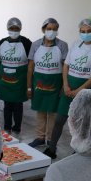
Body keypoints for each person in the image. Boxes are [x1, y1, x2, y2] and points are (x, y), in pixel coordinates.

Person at [46, 19, 91, 159]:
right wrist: (66, 85)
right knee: (59, 120)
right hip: (68, 89)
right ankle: (51, 148)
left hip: (86, 92)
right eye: (83, 31)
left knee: (82, 124)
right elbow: (66, 66)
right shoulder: (75, 45)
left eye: (89, 31)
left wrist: (80, 90)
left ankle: (78, 153)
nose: (85, 34)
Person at [27, 18, 69, 149]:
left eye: (54, 29)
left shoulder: (62, 45)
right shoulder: (35, 45)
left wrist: (64, 85)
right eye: (49, 29)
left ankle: (51, 139)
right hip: (39, 81)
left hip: (55, 82)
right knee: (40, 110)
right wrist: (29, 87)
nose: (51, 31)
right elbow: (30, 67)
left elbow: (65, 66)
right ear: (43, 29)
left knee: (53, 112)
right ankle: (40, 137)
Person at [0, 17, 32, 135]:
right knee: (7, 104)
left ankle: (17, 127)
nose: (14, 30)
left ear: (20, 29)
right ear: (8, 29)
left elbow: (31, 61)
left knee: (18, 104)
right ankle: (7, 126)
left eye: (16, 28)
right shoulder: (2, 42)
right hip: (6, 78)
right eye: (11, 28)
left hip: (20, 78)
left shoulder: (26, 42)